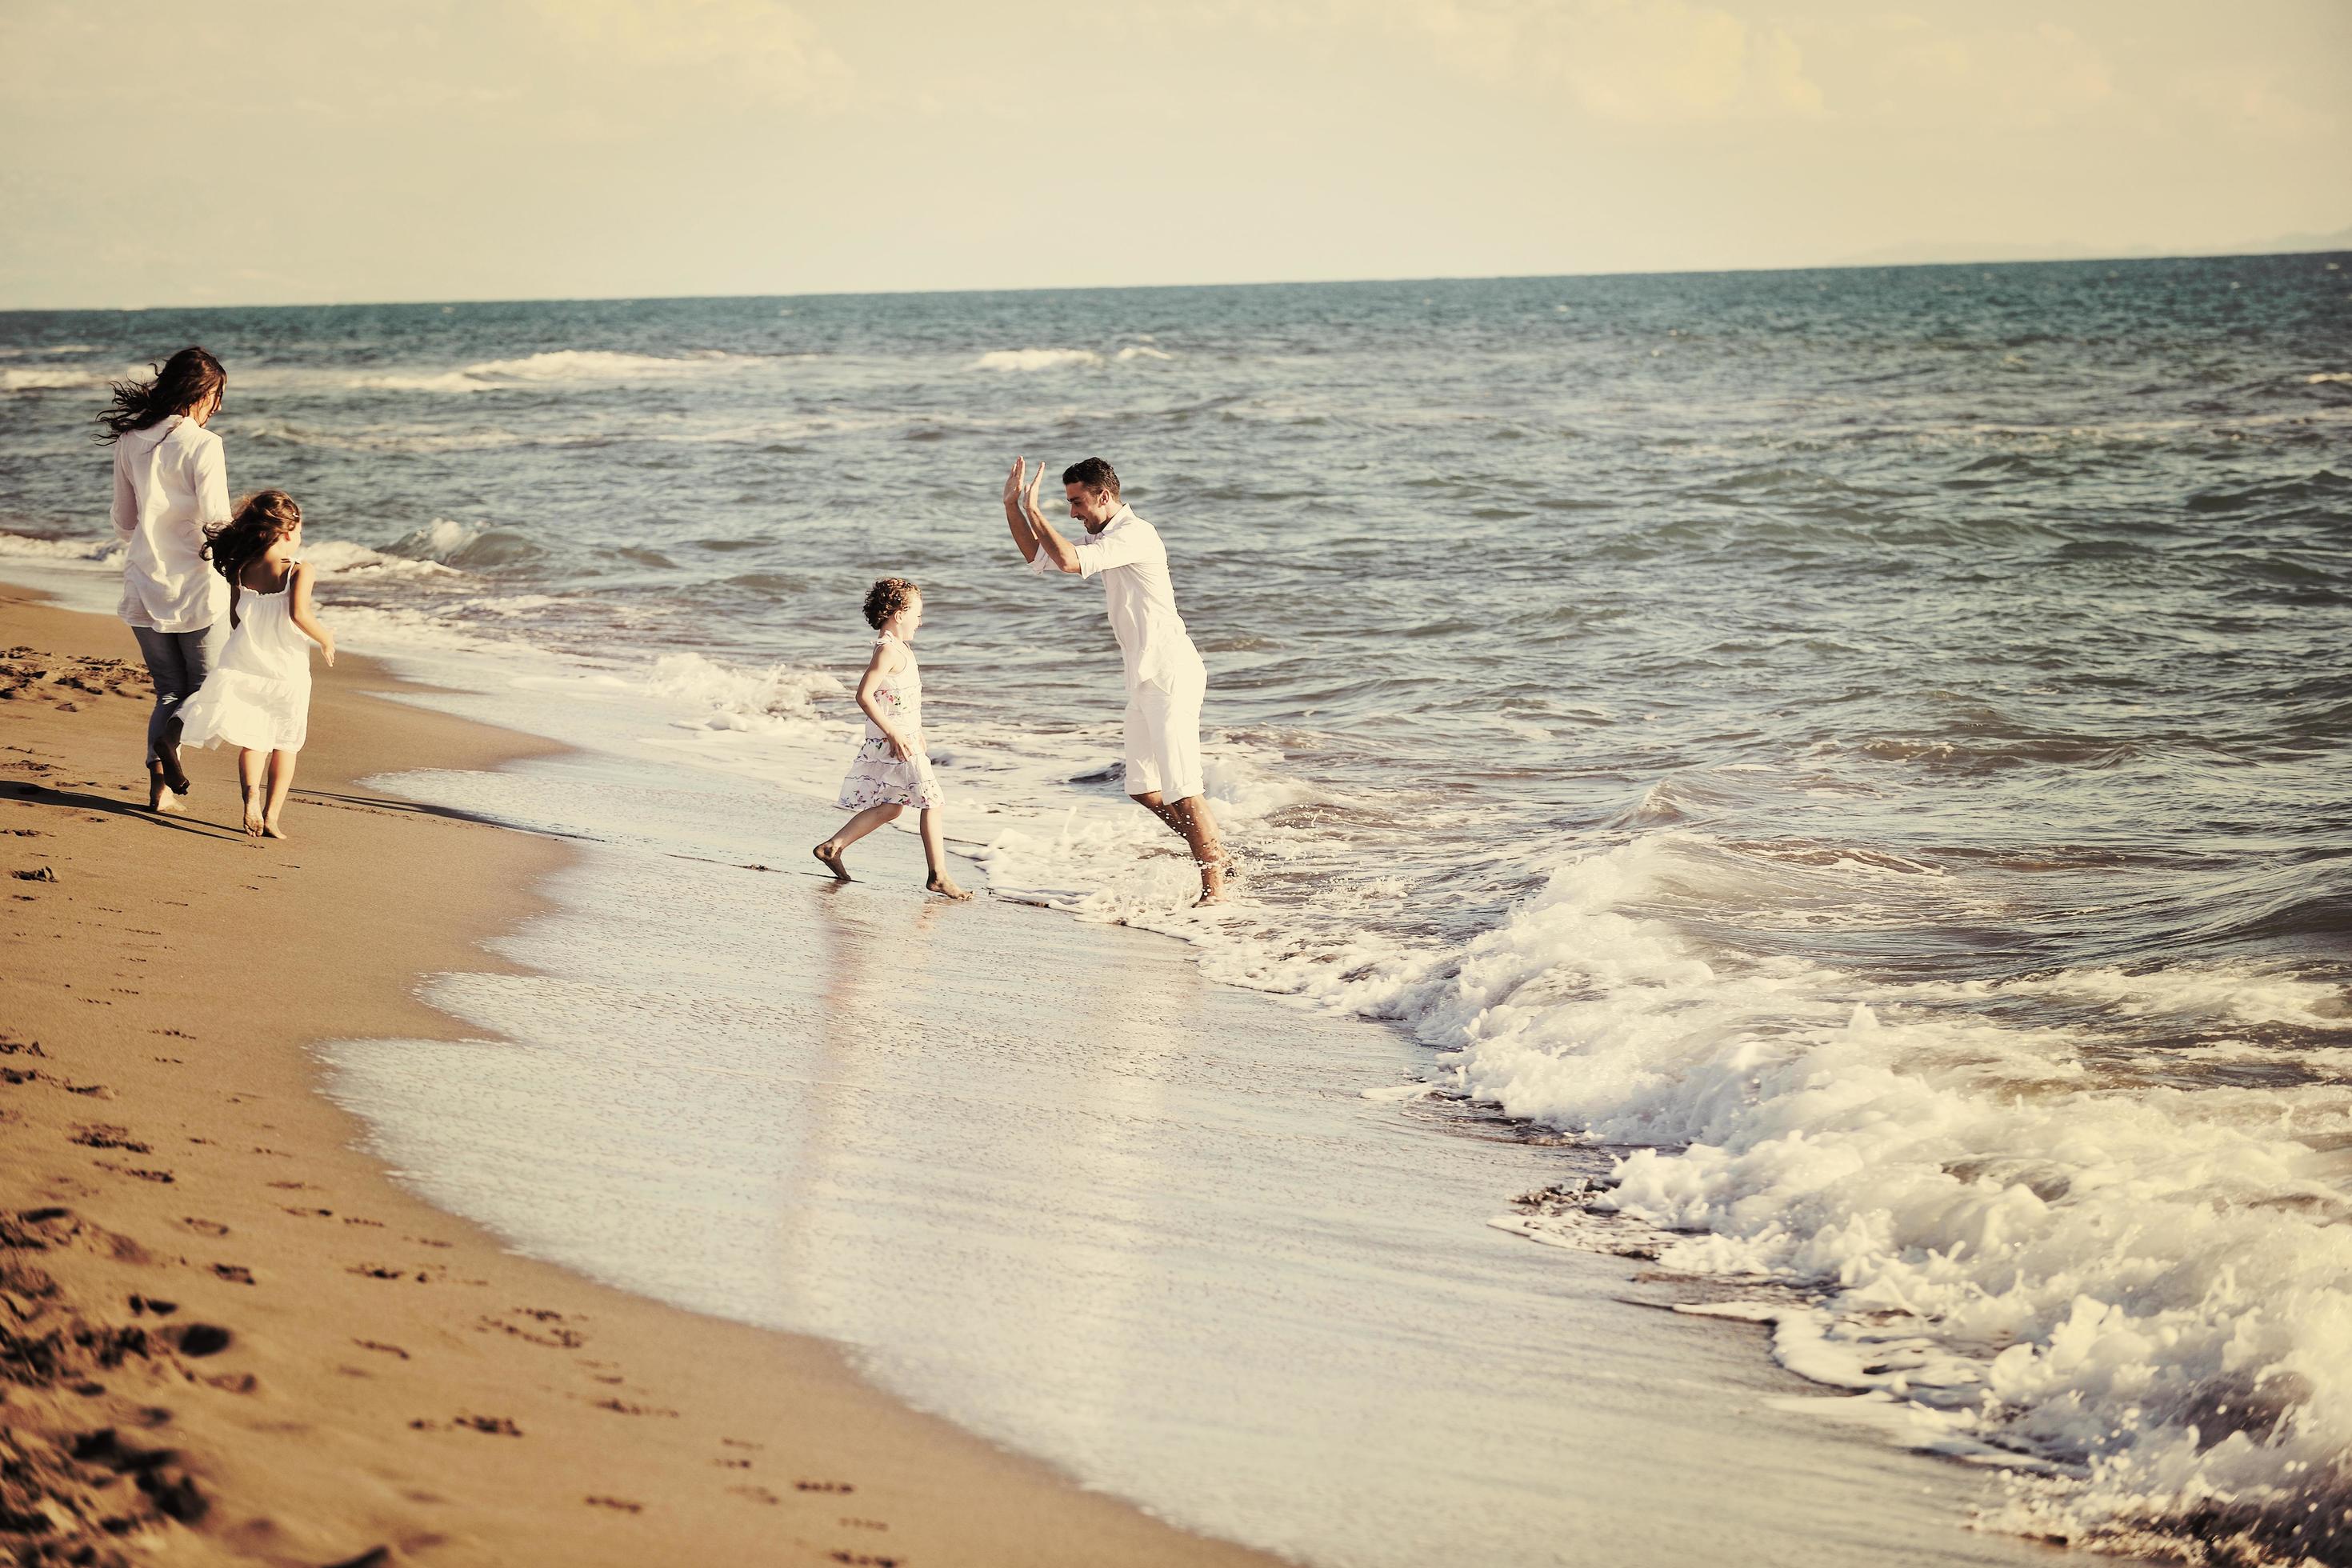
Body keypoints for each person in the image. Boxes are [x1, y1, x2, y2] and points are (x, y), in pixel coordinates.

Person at [1002, 455, 1230, 905]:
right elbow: (1041, 557)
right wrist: (1013, 505)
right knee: (1143, 789)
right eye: (1069, 504)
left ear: (1104, 495)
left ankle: (1216, 890)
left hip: (1170, 674)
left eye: (1077, 502)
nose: (1073, 512)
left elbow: (1067, 561)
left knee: (1184, 789)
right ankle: (1214, 853)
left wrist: (1036, 510)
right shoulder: (1105, 536)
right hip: (1143, 677)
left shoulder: (1136, 534)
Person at [99, 347, 230, 813]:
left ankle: (160, 790)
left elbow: (124, 520)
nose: (216, 407)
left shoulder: (130, 440)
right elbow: (217, 521)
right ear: (204, 394)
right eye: (216, 396)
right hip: (195, 583)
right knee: (208, 687)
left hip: (143, 581)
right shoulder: (204, 444)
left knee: (170, 690)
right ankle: (171, 746)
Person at [175, 491, 336, 839]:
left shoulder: (242, 569)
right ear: (288, 532)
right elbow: (299, 614)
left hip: (247, 662)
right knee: (287, 744)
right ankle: (272, 816)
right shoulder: (298, 570)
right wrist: (325, 638)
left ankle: (250, 800)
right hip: (287, 669)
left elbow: (236, 619)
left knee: (255, 741)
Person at [811, 577, 972, 900]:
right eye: (918, 613)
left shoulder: (900, 649)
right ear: (899, 613)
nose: (921, 620)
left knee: (891, 807)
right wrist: (895, 732)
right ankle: (938, 875)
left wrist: (917, 731)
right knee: (934, 802)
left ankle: (833, 847)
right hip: (895, 741)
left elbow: (903, 698)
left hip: (903, 738)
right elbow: (865, 695)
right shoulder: (887, 651)